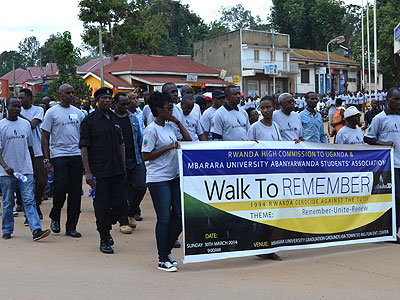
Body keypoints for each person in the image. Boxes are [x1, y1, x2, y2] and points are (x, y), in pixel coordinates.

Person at [141, 91, 191, 272]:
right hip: (158, 179)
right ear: (158, 109)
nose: (172, 110)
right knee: (163, 218)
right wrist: (168, 147)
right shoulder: (151, 129)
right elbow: (145, 156)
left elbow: (188, 140)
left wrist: (177, 121)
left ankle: (166, 251)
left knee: (180, 216)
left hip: (173, 176)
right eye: (169, 107)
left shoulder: (170, 127)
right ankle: (162, 258)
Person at [80, 87, 128, 254]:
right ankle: (104, 237)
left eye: (109, 98)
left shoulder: (115, 118)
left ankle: (108, 226)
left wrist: (124, 167)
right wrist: (88, 172)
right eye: (104, 98)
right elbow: (84, 148)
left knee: (121, 205)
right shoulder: (89, 121)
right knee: (101, 206)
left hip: (117, 171)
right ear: (96, 101)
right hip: (100, 172)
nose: (107, 101)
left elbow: (121, 144)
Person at [0, 97, 50, 241]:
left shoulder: (26, 125)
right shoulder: (1, 125)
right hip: (7, 172)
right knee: (8, 202)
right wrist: (5, 166)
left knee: (29, 200)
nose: (17, 109)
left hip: (25, 170)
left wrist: (33, 168)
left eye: (19, 106)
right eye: (14, 106)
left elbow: (30, 147)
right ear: (6, 107)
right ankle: (7, 229)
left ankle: (36, 230)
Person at [41, 84, 85, 238]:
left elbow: (84, 137)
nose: (71, 95)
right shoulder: (51, 113)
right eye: (67, 93)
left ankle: (71, 227)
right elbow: (45, 137)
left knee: (75, 192)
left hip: (75, 154)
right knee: (60, 188)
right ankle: (55, 216)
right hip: (58, 154)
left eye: (73, 92)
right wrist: (46, 159)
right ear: (60, 94)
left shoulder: (79, 113)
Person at [364, 87, 400, 242]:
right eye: (396, 99)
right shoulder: (379, 118)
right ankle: (391, 232)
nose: (398, 103)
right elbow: (368, 138)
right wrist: (383, 143)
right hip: (391, 165)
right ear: (387, 99)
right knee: (395, 198)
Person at [114, 92, 147, 229]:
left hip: (135, 158)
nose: (127, 106)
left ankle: (131, 212)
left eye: (128, 103)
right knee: (121, 192)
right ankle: (123, 222)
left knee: (141, 186)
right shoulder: (111, 119)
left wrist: (143, 158)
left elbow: (139, 139)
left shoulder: (133, 118)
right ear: (116, 104)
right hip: (118, 161)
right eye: (123, 104)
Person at [18, 89, 46, 219]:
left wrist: (18, 115)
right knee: (25, 181)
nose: (20, 101)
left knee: (41, 180)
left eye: (22, 98)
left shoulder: (38, 110)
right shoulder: (15, 112)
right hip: (22, 151)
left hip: (36, 150)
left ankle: (36, 203)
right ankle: (28, 209)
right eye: (18, 98)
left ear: (30, 98)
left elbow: (32, 125)